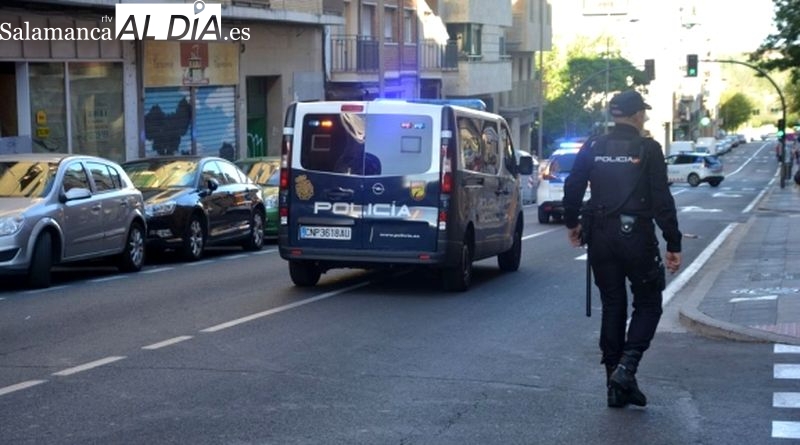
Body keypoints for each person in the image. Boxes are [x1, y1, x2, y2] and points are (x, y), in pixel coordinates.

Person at [563, 90, 682, 409]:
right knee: (649, 302)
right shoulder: (649, 149)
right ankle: (627, 368)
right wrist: (673, 242)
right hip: (637, 237)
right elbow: (662, 200)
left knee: (613, 304)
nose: (645, 116)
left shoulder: (593, 145)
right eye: (642, 112)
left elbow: (574, 185)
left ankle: (614, 384)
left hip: (600, 236)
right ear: (634, 115)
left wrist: (572, 223)